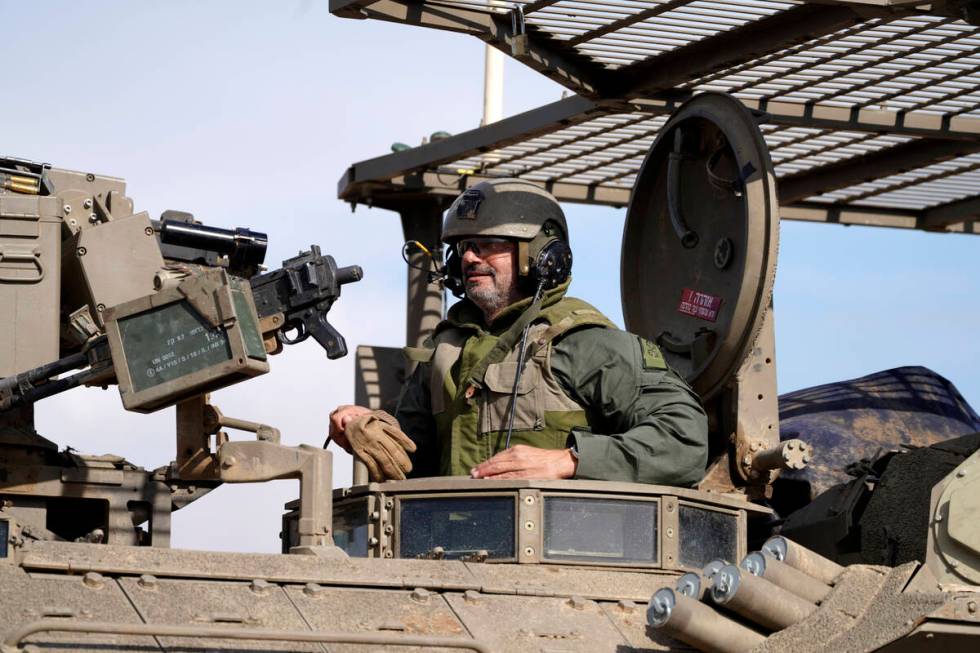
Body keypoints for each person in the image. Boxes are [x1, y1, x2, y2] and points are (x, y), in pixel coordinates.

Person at [329, 178, 708, 485]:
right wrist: (369, 428)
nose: (469, 258)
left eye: (489, 245)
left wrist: (569, 461)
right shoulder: (447, 351)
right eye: (463, 247)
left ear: (543, 257)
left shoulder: (585, 343)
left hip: (561, 558)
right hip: (449, 553)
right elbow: (414, 459)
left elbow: (683, 439)